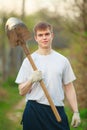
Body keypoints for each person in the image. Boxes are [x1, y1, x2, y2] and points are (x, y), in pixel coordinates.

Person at [15, 21, 81, 130]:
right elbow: (21, 91)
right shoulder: (29, 61)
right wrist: (31, 80)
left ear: (52, 35)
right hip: (34, 111)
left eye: (47, 34)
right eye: (40, 35)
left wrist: (76, 111)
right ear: (36, 38)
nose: (44, 38)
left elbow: (69, 88)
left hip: (57, 110)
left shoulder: (62, 60)